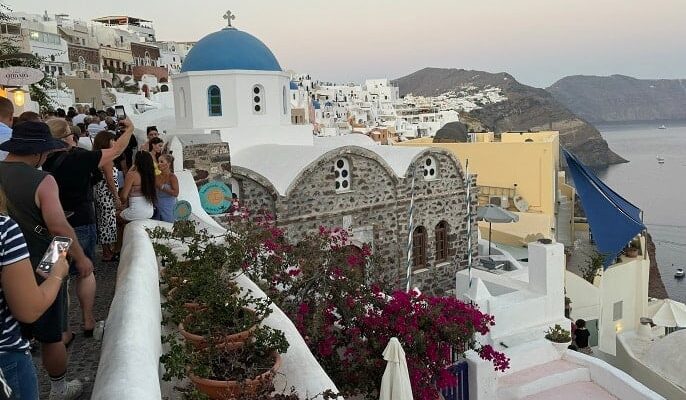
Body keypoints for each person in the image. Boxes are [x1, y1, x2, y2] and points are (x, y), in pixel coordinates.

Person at [0, 121, 87, 399]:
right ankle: (59, 388)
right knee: (52, 335)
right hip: (42, 263)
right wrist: (79, 259)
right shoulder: (43, 180)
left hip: (5, 269)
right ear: (37, 153)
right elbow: (59, 229)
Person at [43, 117, 135, 339]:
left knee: (54, 277)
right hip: (82, 221)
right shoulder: (79, 158)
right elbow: (115, 151)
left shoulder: (43, 160)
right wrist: (130, 129)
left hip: (53, 226)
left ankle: (62, 329)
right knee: (85, 272)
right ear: (67, 137)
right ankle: (87, 320)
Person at [0, 188, 70, 400]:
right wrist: (57, 274)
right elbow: (29, 310)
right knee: (51, 336)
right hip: (6, 360)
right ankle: (60, 388)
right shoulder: (4, 230)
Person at [92, 131, 121, 262]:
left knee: (104, 221)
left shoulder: (99, 157)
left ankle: (107, 250)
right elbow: (110, 179)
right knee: (108, 222)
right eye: (112, 140)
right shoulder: (106, 160)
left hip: (100, 193)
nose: (114, 142)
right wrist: (116, 197)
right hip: (106, 194)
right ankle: (107, 252)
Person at [119, 151, 156, 222]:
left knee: (115, 216)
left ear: (136, 161)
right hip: (149, 212)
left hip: (135, 212)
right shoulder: (151, 175)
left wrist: (120, 205)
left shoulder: (132, 175)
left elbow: (123, 196)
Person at [154, 154, 179, 223]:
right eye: (158, 162)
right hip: (157, 207)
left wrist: (162, 187)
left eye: (161, 162)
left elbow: (176, 193)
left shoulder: (172, 177)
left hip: (169, 207)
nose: (159, 164)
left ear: (168, 164)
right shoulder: (156, 177)